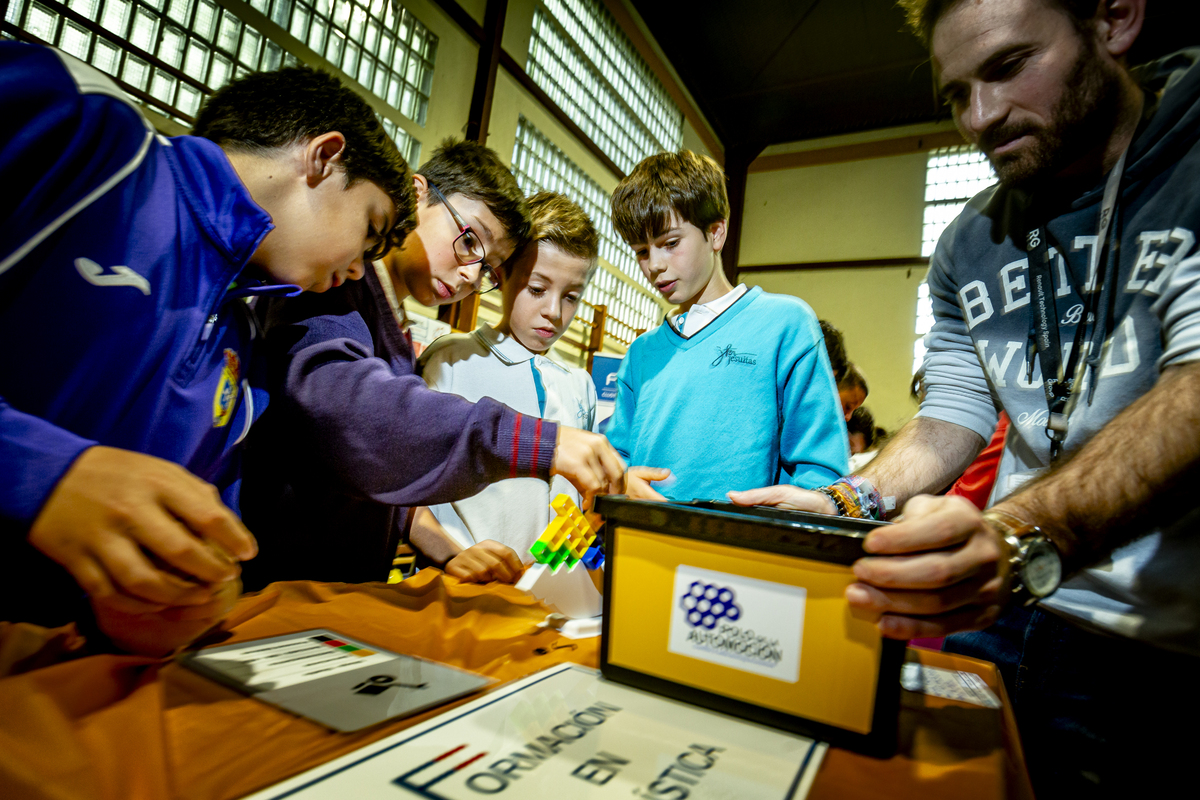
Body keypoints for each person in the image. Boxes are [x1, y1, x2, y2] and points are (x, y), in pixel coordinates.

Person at [731, 0, 1200, 793]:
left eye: (1010, 67)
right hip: (1004, 616)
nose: (979, 117)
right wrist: (848, 500)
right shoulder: (967, 242)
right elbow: (952, 416)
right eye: (955, 93)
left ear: (1114, 21)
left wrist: (1017, 535)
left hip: (1160, 646)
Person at [0, 45, 411, 654]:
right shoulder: (84, 131)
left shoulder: (243, 338)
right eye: (370, 230)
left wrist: (167, 600)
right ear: (324, 158)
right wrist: (40, 473)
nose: (357, 272)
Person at [240, 143, 625, 589]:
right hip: (279, 586)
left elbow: (377, 472)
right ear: (417, 195)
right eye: (469, 242)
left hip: (338, 592)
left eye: (487, 270)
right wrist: (537, 442)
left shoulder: (392, 328)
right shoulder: (334, 282)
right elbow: (356, 417)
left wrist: (445, 547)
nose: (469, 276)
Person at [605, 150, 847, 502]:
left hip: (742, 549)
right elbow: (616, 460)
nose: (654, 265)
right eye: (642, 251)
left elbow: (820, 469)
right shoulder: (642, 352)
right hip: (644, 544)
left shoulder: (785, 324)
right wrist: (622, 479)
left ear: (716, 233)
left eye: (670, 243)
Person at [412, 192, 609, 584]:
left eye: (571, 297)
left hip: (544, 596)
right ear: (500, 274)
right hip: (454, 586)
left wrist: (570, 545)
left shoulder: (579, 386)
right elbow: (404, 480)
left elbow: (577, 503)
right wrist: (452, 552)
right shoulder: (450, 360)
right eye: (538, 289)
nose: (554, 311)